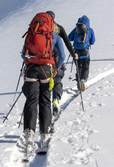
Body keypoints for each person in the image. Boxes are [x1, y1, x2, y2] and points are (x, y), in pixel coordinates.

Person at [20, 12, 66, 152]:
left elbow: (23, 53)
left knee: (31, 101)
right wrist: (56, 68)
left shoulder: (31, 34)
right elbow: (62, 56)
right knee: (45, 101)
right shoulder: (54, 36)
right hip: (47, 70)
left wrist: (30, 61)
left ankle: (29, 135)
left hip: (31, 70)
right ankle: (45, 135)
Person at [45, 11, 76, 116]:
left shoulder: (39, 31)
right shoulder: (59, 28)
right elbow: (67, 42)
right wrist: (73, 55)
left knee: (45, 82)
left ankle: (44, 105)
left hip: (43, 62)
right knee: (57, 81)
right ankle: (56, 99)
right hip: (56, 60)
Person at [69, 15, 95, 91]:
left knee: (78, 68)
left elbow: (69, 37)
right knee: (85, 67)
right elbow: (93, 41)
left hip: (76, 52)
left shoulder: (76, 29)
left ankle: (78, 84)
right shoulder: (90, 30)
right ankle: (83, 79)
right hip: (85, 52)